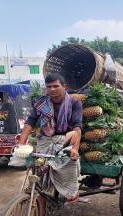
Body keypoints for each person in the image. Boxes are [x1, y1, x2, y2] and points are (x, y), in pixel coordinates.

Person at [18, 73, 82, 201]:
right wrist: (21, 144)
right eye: (49, 86)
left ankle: (70, 192)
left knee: (69, 164)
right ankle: (40, 193)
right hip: (45, 140)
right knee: (37, 166)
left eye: (56, 86)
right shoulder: (40, 103)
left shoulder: (74, 102)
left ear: (64, 86)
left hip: (65, 139)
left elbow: (77, 126)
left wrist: (75, 148)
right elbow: (30, 122)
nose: (52, 89)